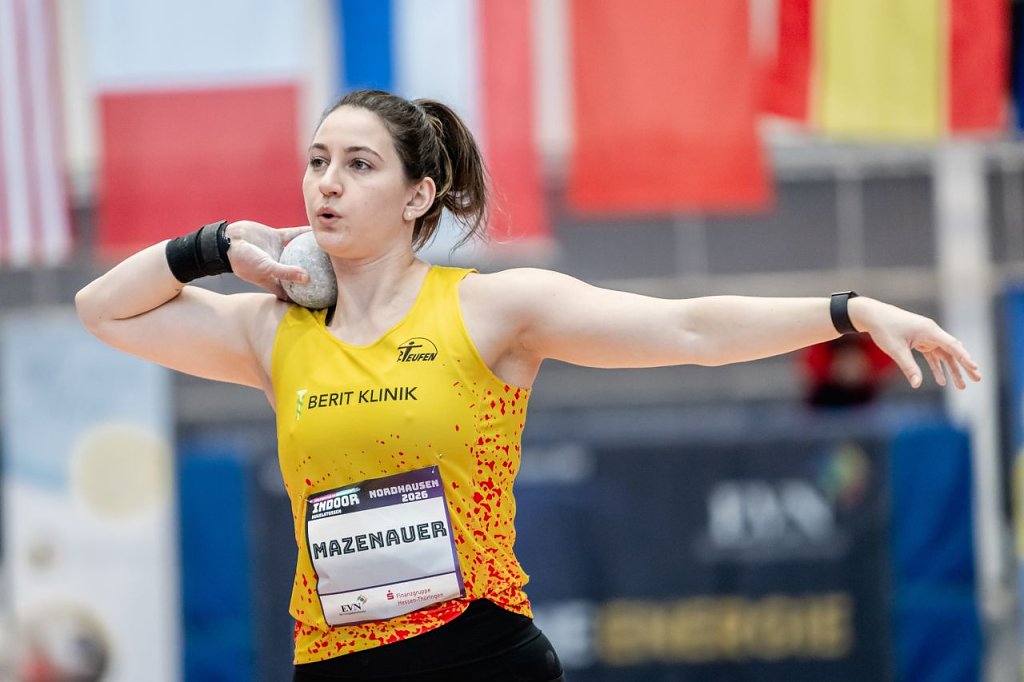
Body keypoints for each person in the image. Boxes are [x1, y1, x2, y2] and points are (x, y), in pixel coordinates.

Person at [75, 89, 981, 681]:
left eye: (359, 164)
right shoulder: (273, 332)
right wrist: (211, 244)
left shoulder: (492, 310)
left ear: (419, 196)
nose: (328, 184)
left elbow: (689, 330)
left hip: (477, 656)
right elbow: (103, 310)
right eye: (317, 161)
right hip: (334, 661)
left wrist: (851, 310)